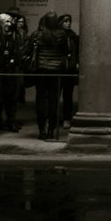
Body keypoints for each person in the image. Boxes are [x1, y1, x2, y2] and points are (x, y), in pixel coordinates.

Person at [30, 11, 68, 139]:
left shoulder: (37, 35)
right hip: (56, 71)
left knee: (40, 100)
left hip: (41, 70)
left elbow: (31, 50)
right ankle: (51, 129)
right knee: (54, 101)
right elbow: (65, 52)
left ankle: (42, 130)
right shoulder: (62, 35)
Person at [59, 13, 80, 127]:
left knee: (68, 95)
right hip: (59, 68)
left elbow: (77, 52)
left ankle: (67, 118)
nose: (68, 23)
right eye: (66, 21)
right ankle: (54, 117)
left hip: (70, 69)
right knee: (55, 95)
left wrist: (76, 63)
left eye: (69, 21)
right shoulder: (57, 35)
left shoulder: (73, 36)